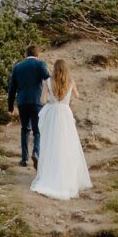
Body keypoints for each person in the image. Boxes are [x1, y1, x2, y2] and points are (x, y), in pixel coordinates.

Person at [30, 56, 92, 200]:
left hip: (52, 115)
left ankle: (50, 175)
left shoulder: (48, 82)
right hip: (65, 114)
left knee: (51, 144)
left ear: (55, 69)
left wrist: (52, 99)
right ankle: (67, 177)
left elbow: (42, 100)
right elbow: (77, 96)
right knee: (67, 145)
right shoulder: (70, 82)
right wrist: (68, 94)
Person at [8, 44, 50, 168]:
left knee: (25, 129)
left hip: (22, 102)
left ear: (25, 54)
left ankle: (24, 159)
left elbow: (12, 89)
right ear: (38, 55)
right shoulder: (40, 64)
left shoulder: (17, 67)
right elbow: (48, 80)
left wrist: (10, 107)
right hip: (37, 101)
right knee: (37, 130)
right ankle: (36, 152)